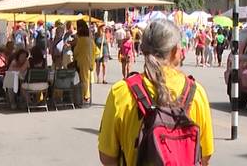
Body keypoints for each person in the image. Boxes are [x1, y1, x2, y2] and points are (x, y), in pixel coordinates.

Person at [97, 18, 214, 166]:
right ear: (174, 52)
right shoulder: (196, 93)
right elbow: (205, 156)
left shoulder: (122, 92)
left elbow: (107, 156)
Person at [73, 19, 97, 103]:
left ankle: (85, 95)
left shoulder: (80, 40)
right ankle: (87, 95)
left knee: (83, 80)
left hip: (82, 62)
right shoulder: (90, 40)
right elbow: (96, 51)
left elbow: (76, 52)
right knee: (87, 79)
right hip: (90, 61)